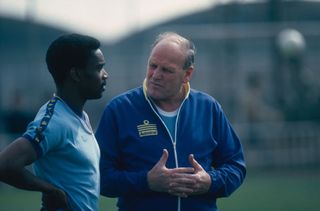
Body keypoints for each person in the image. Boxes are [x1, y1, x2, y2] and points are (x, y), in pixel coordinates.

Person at [95, 32, 246, 211]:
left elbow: (235, 166)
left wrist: (210, 181)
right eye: (153, 66)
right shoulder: (119, 109)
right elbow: (100, 176)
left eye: (166, 70)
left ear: (187, 74)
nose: (155, 75)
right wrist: (146, 181)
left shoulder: (208, 108)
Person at [0, 33, 108, 210]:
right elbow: (5, 165)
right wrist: (50, 190)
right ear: (76, 74)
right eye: (98, 68)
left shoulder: (79, 115)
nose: (105, 75)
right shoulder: (55, 121)